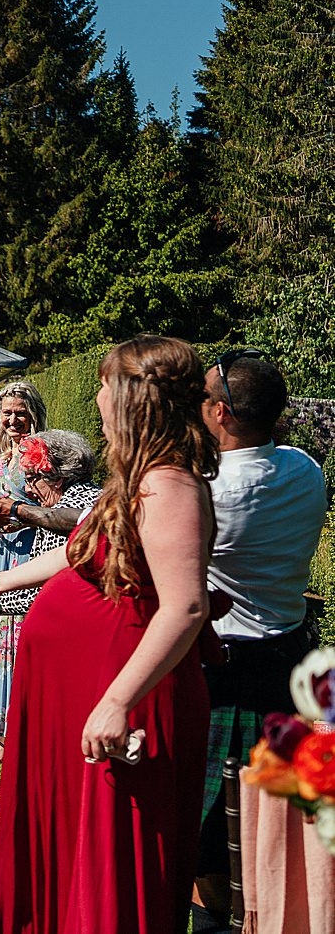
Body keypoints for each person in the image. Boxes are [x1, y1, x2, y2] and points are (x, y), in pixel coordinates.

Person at [0, 335, 218, 933]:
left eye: (105, 383)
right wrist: (1, 579)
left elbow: (184, 607)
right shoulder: (138, 475)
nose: (97, 395)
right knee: (68, 837)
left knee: (111, 850)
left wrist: (117, 701)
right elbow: (79, 553)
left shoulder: (170, 486)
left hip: (122, 686)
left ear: (132, 398)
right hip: (78, 686)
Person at [190, 350, 327, 933]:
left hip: (224, 664)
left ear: (220, 411)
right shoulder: (305, 468)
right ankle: (269, 913)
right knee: (270, 811)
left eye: (201, 396)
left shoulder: (210, 491)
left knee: (207, 816)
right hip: (290, 657)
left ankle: (217, 919)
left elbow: (130, 528)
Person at [0, 380, 47, 763]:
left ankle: (23, 730)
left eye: (21, 412)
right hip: (0, 554)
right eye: (8, 413)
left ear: (34, 413)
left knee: (20, 636)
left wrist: (12, 521)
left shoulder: (41, 452)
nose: (14, 420)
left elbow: (52, 508)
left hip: (30, 555)